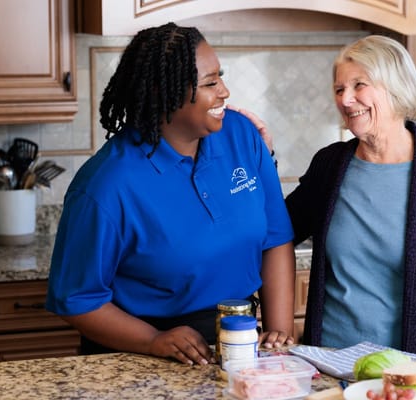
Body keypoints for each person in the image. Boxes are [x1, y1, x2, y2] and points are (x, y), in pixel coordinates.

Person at [45, 23, 296, 366]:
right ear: (164, 92)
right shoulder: (105, 186)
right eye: (210, 83)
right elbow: (76, 299)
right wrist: (153, 340)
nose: (224, 91)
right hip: (139, 354)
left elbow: (276, 238)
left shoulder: (242, 137)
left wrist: (278, 334)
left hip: (239, 343)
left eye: (219, 77)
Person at [236, 35, 416, 369]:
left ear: (396, 87)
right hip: (327, 365)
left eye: (359, 85)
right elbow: (277, 229)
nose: (346, 99)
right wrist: (263, 162)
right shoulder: (331, 165)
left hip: (409, 372)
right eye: (339, 89)